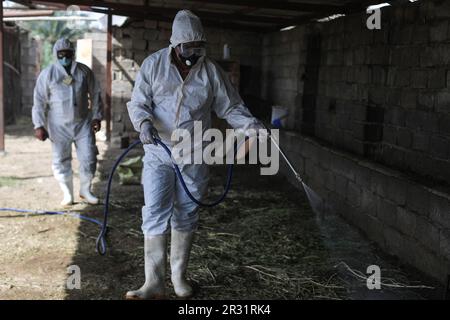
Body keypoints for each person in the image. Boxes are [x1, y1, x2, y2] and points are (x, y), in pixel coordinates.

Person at [126, 10, 265, 300]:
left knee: (187, 212)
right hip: (158, 151)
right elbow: (139, 102)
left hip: (195, 152)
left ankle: (179, 278)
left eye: (198, 47)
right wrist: (144, 123)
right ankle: (153, 281)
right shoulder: (153, 65)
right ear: (174, 44)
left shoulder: (211, 71)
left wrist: (251, 127)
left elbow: (231, 107)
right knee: (154, 211)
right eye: (187, 47)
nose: (193, 53)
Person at [32, 38, 103, 206]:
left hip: (83, 123)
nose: (65, 57)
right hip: (58, 125)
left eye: (68, 54)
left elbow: (96, 94)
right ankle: (67, 193)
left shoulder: (84, 71)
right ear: (56, 55)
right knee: (61, 158)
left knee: (89, 156)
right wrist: (39, 125)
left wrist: (96, 116)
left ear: (73, 54)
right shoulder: (48, 73)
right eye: (61, 54)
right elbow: (39, 101)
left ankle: (85, 190)